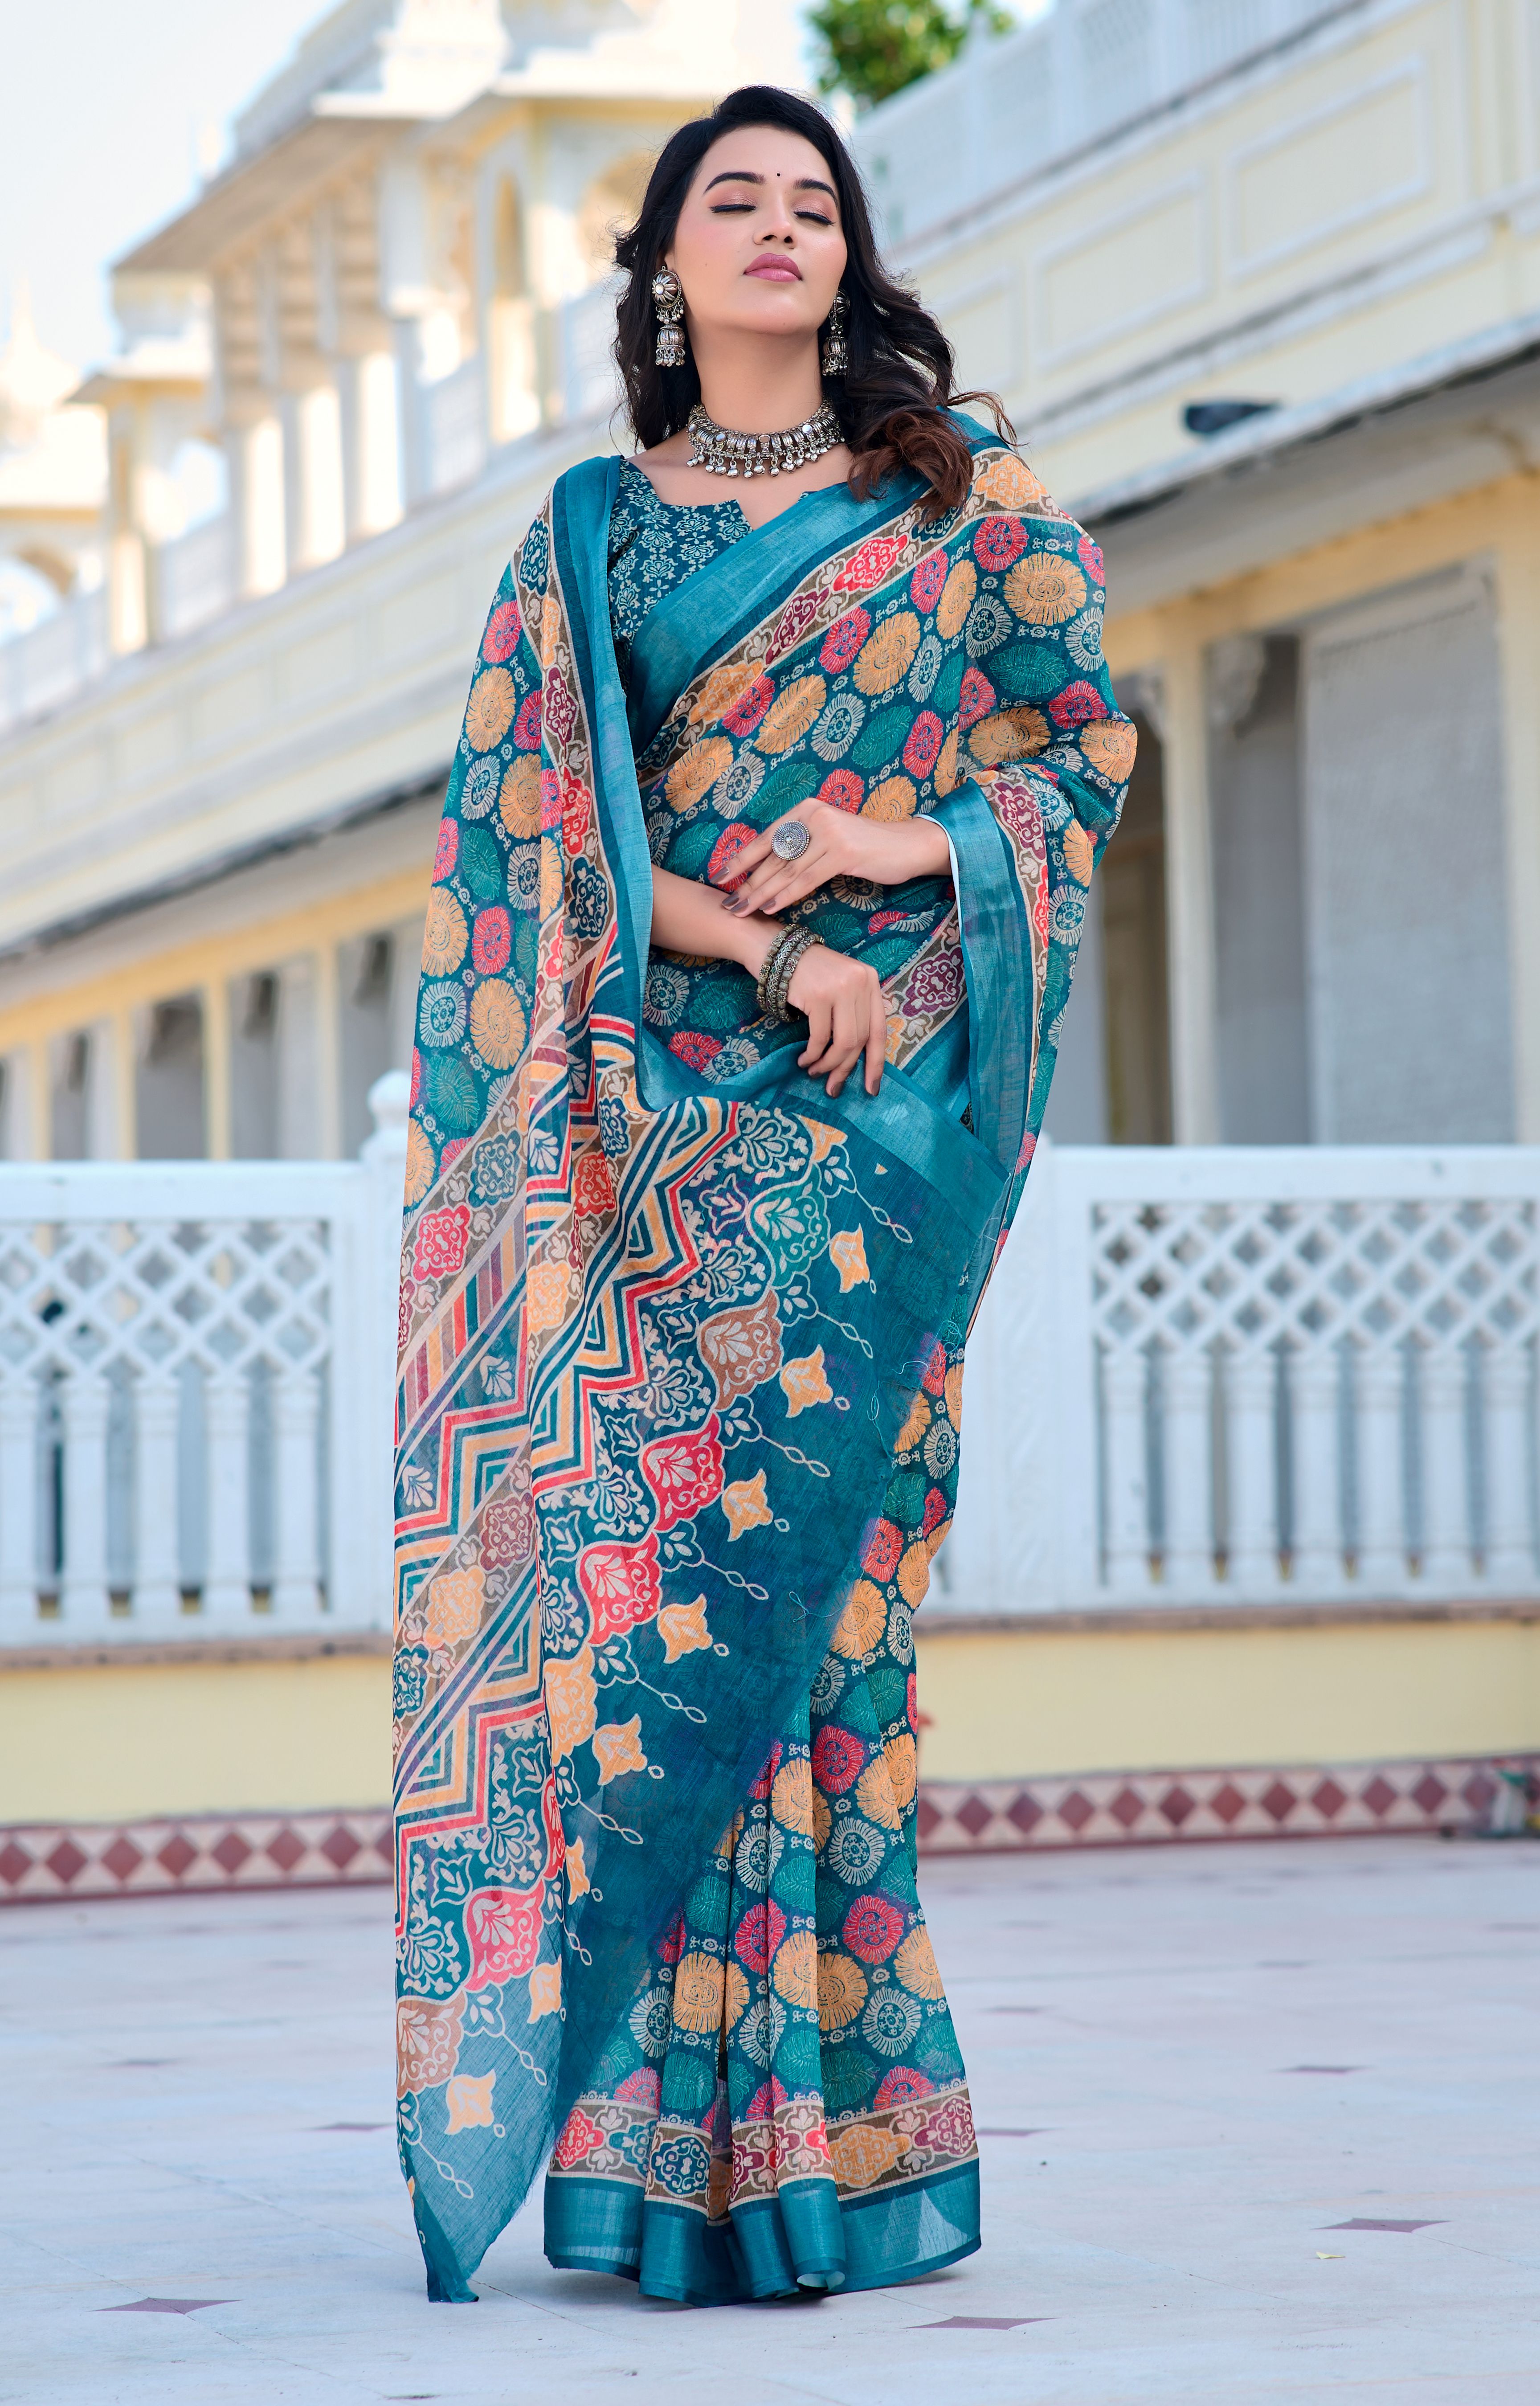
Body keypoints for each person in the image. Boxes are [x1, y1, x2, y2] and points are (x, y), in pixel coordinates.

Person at [392, 84, 1135, 2310]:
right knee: (657, 1643)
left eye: (817, 200)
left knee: (839, 1638)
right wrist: (762, 945)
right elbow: (547, 840)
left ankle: (842, 2149)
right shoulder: (592, 535)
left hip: (880, 1138)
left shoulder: (956, 491)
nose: (782, 227)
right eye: (736, 199)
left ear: (847, 255)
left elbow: (1084, 748)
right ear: (665, 263)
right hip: (669, 1156)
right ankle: (663, 2171)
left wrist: (904, 850)